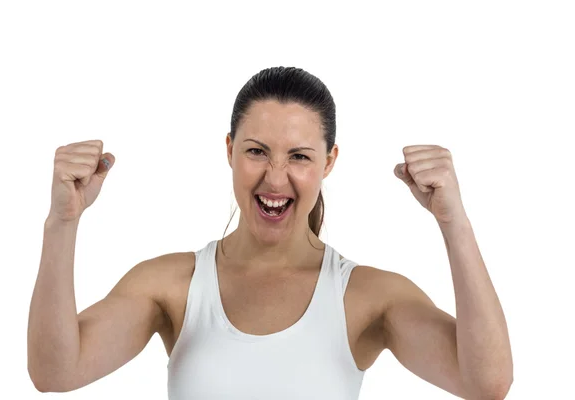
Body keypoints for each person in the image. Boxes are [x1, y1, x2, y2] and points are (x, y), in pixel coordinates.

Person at [27, 66, 513, 399]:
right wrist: (62, 222)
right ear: (230, 151)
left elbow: (486, 383)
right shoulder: (172, 286)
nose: (275, 178)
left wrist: (455, 224)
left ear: (329, 162)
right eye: (257, 151)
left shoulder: (365, 296)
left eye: (299, 156)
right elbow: (54, 373)